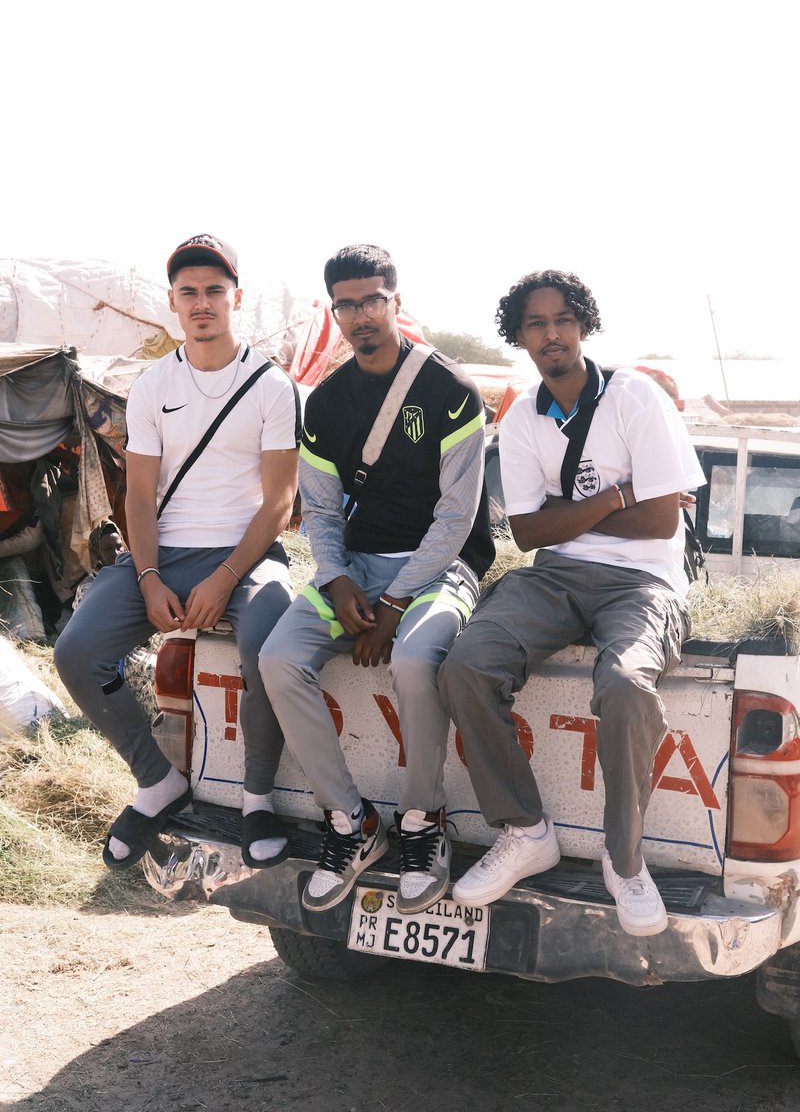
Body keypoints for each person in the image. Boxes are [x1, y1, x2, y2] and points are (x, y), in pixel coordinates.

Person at [438, 269, 705, 936]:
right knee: (466, 664)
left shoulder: (635, 397)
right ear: (520, 335)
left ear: (583, 324)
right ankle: (526, 830)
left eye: (562, 319)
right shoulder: (524, 413)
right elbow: (527, 533)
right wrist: (619, 495)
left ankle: (624, 858)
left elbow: (661, 524)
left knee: (623, 684)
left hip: (643, 581)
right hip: (554, 577)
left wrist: (575, 512)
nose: (550, 332)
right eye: (536, 323)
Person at [259, 244, 494, 915]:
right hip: (357, 568)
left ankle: (423, 822)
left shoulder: (451, 392)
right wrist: (334, 579)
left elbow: (456, 520)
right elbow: (323, 512)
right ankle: (351, 822)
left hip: (439, 567)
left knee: (417, 660)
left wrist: (394, 603)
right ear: (333, 311)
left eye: (372, 301)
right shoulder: (326, 403)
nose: (360, 316)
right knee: (278, 658)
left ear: (396, 301)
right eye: (346, 305)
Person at [55, 234, 300, 870]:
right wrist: (147, 577)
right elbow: (138, 498)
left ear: (235, 298)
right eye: (188, 292)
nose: (202, 303)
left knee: (269, 646)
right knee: (76, 652)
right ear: (172, 302)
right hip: (163, 549)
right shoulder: (151, 385)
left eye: (214, 291)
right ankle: (158, 781)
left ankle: (256, 798)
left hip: (245, 553)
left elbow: (278, 504)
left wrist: (223, 579)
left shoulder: (273, 386)